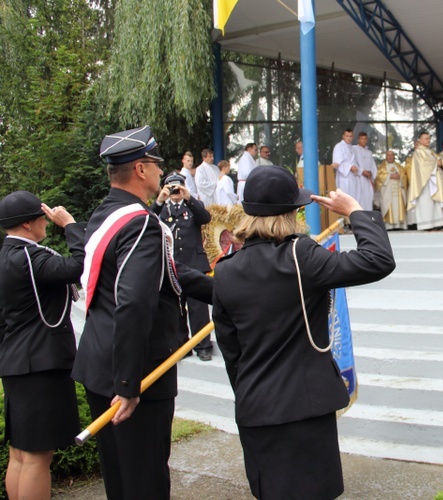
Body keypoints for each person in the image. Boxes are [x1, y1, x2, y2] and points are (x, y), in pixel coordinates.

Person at [212, 166, 395, 499]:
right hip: (306, 409)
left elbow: (231, 353)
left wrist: (252, 394)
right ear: (291, 212)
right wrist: (355, 211)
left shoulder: (225, 270)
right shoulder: (302, 256)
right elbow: (378, 260)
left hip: (256, 407)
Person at [72, 125, 213, 499]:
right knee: (145, 481)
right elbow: (133, 301)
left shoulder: (105, 214)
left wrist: (225, 288)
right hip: (136, 374)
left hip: (101, 362)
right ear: (140, 169)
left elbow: (168, 274)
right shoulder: (141, 224)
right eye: (155, 163)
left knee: (121, 478)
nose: (159, 171)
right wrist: (128, 384)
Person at [0, 192, 84, 500]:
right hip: (41, 366)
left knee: (20, 453)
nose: (45, 222)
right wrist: (70, 225)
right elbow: (76, 266)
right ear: (27, 223)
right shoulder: (31, 257)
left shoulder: (6, 257)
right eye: (41, 217)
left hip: (15, 362)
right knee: (38, 456)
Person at [152, 172, 215, 361]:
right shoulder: (162, 209)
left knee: (198, 309)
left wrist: (189, 197)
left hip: (194, 263)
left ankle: (203, 346)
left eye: (178, 187)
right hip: (173, 264)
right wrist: (159, 201)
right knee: (176, 307)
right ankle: (181, 344)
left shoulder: (192, 206)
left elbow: (205, 218)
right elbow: (146, 219)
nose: (175, 191)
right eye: (171, 187)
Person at [407, 131, 443, 230]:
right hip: (423, 182)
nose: (428, 140)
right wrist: (435, 164)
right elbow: (423, 166)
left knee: (433, 202)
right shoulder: (419, 152)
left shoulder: (430, 151)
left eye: (429, 138)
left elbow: (438, 161)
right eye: (425, 138)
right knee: (425, 202)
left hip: (432, 180)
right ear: (420, 140)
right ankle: (426, 224)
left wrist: (440, 163)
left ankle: (435, 223)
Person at [375, 150, 408, 230]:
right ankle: (389, 226)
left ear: (394, 156)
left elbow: (404, 175)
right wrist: (389, 176)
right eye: (388, 155)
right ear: (386, 156)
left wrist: (400, 177)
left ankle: (399, 225)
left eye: (391, 155)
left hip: (398, 190)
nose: (390, 157)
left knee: (398, 206)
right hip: (387, 191)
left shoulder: (399, 166)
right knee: (388, 206)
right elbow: (378, 177)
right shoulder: (381, 167)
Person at [331, 128, 360, 202]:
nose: (349, 138)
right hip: (344, 177)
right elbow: (337, 162)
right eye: (347, 136)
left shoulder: (353, 148)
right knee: (344, 198)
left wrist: (355, 168)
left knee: (353, 198)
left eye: (350, 136)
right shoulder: (339, 146)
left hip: (353, 177)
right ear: (343, 136)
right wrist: (350, 167)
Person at [353, 132, 377, 210]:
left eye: (365, 139)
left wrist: (371, 175)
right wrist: (362, 171)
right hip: (358, 179)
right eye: (361, 139)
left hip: (368, 180)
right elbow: (353, 163)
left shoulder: (369, 153)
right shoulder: (354, 149)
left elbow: (373, 167)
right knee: (359, 200)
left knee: (368, 201)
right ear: (358, 140)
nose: (363, 141)